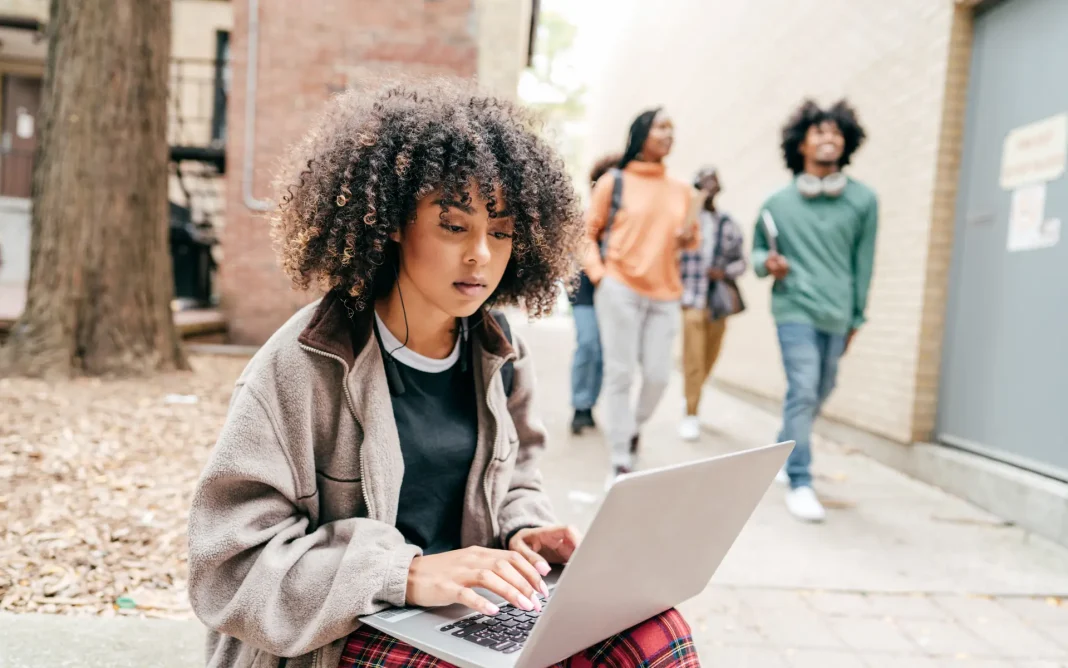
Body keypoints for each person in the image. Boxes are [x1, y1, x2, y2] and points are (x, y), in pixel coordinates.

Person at [187, 82, 700, 668]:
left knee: (655, 630)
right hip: (342, 628)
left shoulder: (501, 350)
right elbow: (227, 566)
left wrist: (523, 533)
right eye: (455, 227)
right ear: (394, 222)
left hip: (467, 609)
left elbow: (517, 477)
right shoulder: (302, 363)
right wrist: (401, 573)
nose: (482, 253)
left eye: (502, 231)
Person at [752, 99, 878, 523]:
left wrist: (857, 318)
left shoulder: (863, 201)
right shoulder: (777, 202)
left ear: (847, 144)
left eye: (836, 133)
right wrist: (766, 263)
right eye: (819, 132)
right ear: (801, 143)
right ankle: (800, 478)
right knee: (804, 389)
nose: (829, 139)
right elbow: (757, 251)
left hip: (838, 312)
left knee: (821, 389)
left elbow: (865, 263)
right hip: (794, 308)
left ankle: (784, 445)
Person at [583, 108, 700, 482]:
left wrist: (687, 238)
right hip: (620, 287)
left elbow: (691, 240)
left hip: (665, 294)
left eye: (672, 128)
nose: (669, 134)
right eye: (661, 126)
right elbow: (586, 233)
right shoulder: (613, 182)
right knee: (620, 374)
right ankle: (620, 457)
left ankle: (630, 428)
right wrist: (600, 277)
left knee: (658, 376)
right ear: (641, 133)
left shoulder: (683, 190)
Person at [678, 166, 747, 441]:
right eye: (704, 181)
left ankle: (691, 395)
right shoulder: (687, 217)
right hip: (691, 297)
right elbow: (676, 244)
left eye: (714, 181)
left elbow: (742, 262)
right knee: (693, 357)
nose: (710, 185)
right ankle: (691, 411)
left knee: (710, 356)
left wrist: (725, 272)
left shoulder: (729, 223)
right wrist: (695, 202)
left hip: (717, 300)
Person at [568, 152, 622, 435]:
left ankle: (589, 405)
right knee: (588, 343)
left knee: (603, 351)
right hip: (586, 289)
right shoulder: (584, 216)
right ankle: (579, 405)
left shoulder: (626, 219)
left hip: (617, 290)